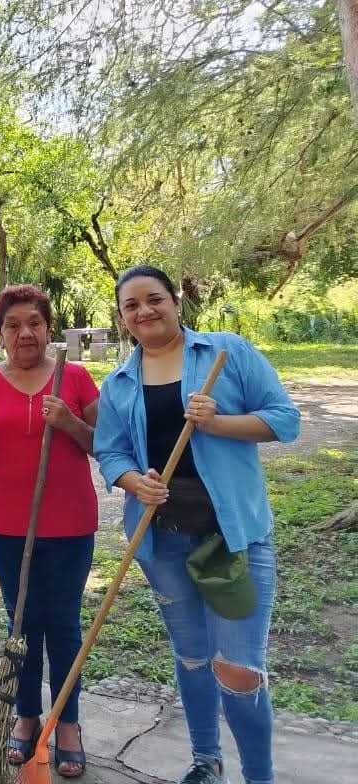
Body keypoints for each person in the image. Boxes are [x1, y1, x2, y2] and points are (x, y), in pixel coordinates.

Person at [95, 265, 299, 784]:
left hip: (234, 538)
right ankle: (205, 761)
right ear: (122, 318)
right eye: (131, 305)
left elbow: (284, 419)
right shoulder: (119, 382)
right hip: (162, 540)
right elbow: (110, 451)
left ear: (175, 301)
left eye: (154, 299)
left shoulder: (225, 353)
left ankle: (260, 777)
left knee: (238, 668)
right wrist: (132, 483)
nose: (145, 311)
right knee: (191, 657)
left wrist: (216, 422)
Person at [0, 284, 100, 777]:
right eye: (13, 326)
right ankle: (26, 717)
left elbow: (104, 444)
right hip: (8, 523)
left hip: (70, 521)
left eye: (33, 323)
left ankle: (68, 723)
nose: (25, 333)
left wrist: (70, 422)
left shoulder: (74, 379)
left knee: (63, 622)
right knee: (22, 623)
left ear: (47, 328)